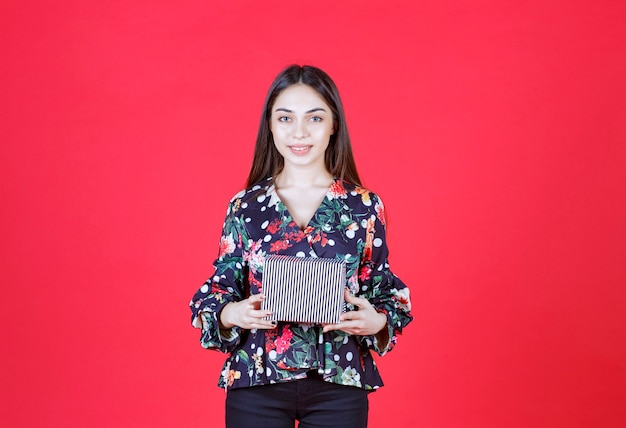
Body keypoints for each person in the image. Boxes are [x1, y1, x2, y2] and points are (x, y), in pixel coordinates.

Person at [189, 65, 413, 428]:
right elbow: (218, 292)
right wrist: (234, 314)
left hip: (338, 383)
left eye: (314, 118)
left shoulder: (365, 206)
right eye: (285, 118)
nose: (299, 132)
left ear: (333, 125)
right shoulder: (246, 206)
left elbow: (384, 292)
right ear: (271, 126)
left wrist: (375, 321)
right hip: (256, 379)